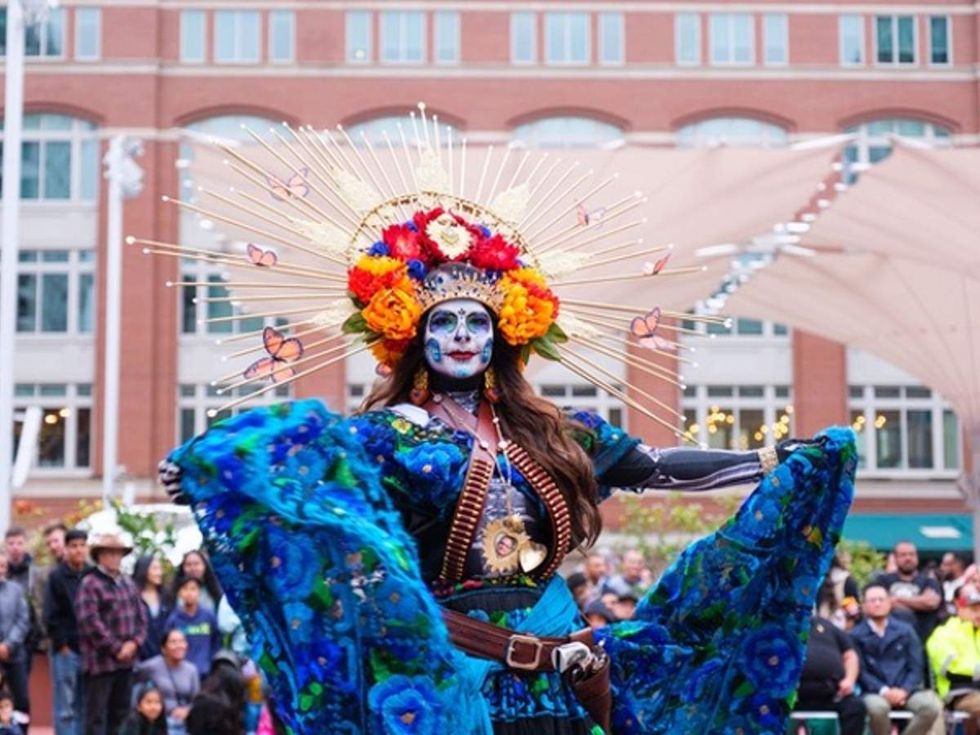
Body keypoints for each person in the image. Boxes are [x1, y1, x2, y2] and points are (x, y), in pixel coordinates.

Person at [154, 113, 857, 734]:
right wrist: (210, 471)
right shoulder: (391, 433)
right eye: (445, 321)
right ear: (411, 334)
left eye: (476, 322)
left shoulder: (550, 430)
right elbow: (305, 473)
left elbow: (652, 465)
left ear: (503, 334)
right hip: (452, 671)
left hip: (563, 666)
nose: (462, 335)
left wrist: (769, 461)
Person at [75, 533, 148, 735]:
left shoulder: (128, 583)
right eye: (110, 553)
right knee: (96, 718)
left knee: (121, 715)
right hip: (100, 664)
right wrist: (116, 648)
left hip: (126, 663)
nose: (115, 558)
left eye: (118, 554)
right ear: (99, 555)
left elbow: (142, 616)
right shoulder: (89, 584)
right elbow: (90, 623)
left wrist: (134, 643)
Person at [850, 583, 943, 735]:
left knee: (930, 707)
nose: (877, 603)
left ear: (889, 603)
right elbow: (860, 671)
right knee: (877, 709)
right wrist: (885, 691)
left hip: (906, 689)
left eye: (881, 599)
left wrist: (904, 690)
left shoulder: (905, 630)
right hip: (874, 691)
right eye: (872, 600)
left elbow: (916, 666)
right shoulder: (855, 635)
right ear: (864, 605)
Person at [44, 528, 91, 735]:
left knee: (83, 704)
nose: (78, 550)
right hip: (65, 652)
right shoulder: (56, 577)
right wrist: (62, 644)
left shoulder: (93, 575)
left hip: (89, 651)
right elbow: (50, 614)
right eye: (73, 546)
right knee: (65, 708)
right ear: (66, 548)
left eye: (82, 545)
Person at [793, 615, 865, 735]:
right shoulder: (780, 626)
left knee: (856, 707)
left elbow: (850, 654)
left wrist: (849, 679)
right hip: (792, 696)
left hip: (832, 694)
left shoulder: (827, 625)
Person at [927, 584, 980, 731]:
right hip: (959, 693)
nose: (979, 614)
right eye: (974, 610)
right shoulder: (944, 633)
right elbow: (948, 670)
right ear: (960, 609)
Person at [873, 541, 943, 643]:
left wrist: (896, 599)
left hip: (923, 639)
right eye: (903, 555)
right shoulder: (883, 581)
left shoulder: (929, 581)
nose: (908, 558)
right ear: (895, 558)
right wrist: (919, 601)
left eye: (912, 554)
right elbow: (879, 604)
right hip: (889, 641)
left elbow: (931, 602)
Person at [134, 630, 198, 735]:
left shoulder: (192, 670)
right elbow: (134, 678)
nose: (178, 645)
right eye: (173, 642)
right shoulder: (152, 666)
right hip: (160, 721)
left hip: (184, 722)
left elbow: (196, 700)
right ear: (164, 649)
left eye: (182, 641)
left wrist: (187, 710)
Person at [163, 579, 219, 679]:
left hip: (206, 672)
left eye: (193, 589)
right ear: (179, 593)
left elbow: (216, 642)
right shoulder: (173, 619)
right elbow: (167, 646)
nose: (189, 593)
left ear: (199, 592)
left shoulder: (209, 615)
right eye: (185, 589)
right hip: (182, 674)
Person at [0, 554, 29, 731]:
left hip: (15, 654)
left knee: (21, 700)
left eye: (2, 565)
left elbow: (23, 620)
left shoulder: (16, 590)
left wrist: (8, 644)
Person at [131, 556, 171, 662]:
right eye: (155, 568)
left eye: (160, 568)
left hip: (165, 657)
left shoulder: (166, 596)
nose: (159, 573)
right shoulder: (132, 596)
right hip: (140, 657)